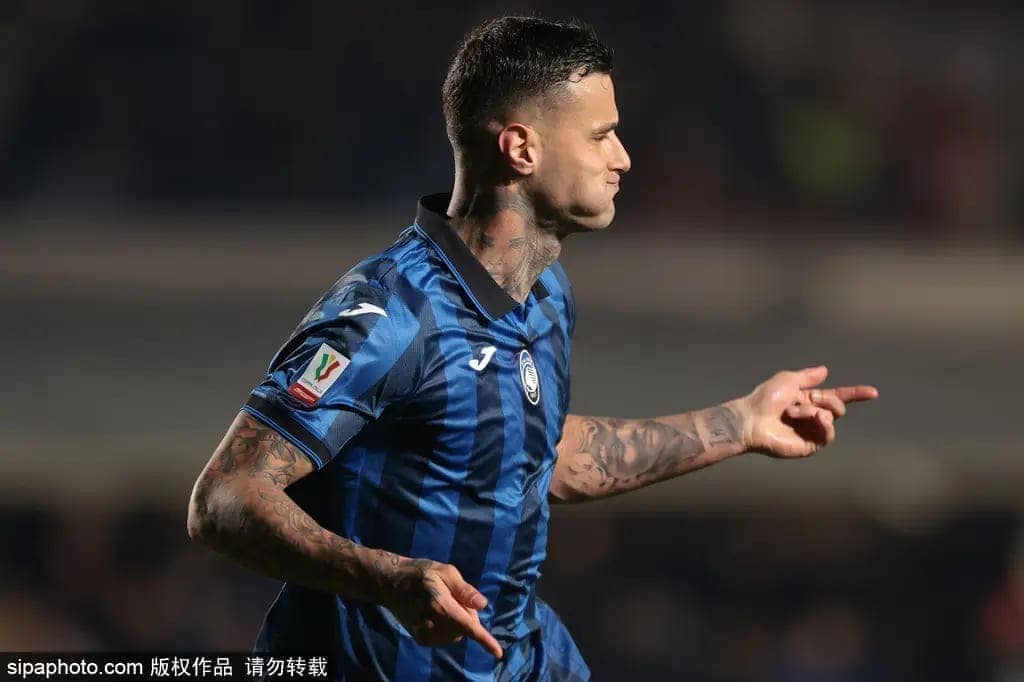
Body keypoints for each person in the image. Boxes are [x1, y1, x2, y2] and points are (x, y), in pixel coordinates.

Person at [186, 15, 879, 681]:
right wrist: (389, 577)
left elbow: (537, 455)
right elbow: (224, 495)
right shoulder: (391, 313)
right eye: (602, 136)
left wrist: (742, 423)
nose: (623, 158)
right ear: (522, 149)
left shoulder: (546, 295)